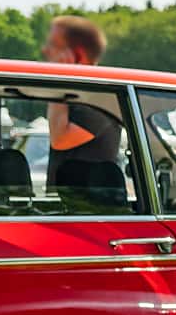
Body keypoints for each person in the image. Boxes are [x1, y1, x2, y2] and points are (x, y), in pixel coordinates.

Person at [39, 15, 121, 187]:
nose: (45, 50)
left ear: (77, 54)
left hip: (90, 203)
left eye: (53, 45)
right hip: (70, 202)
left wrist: (60, 79)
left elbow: (60, 139)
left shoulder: (100, 96)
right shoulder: (78, 94)